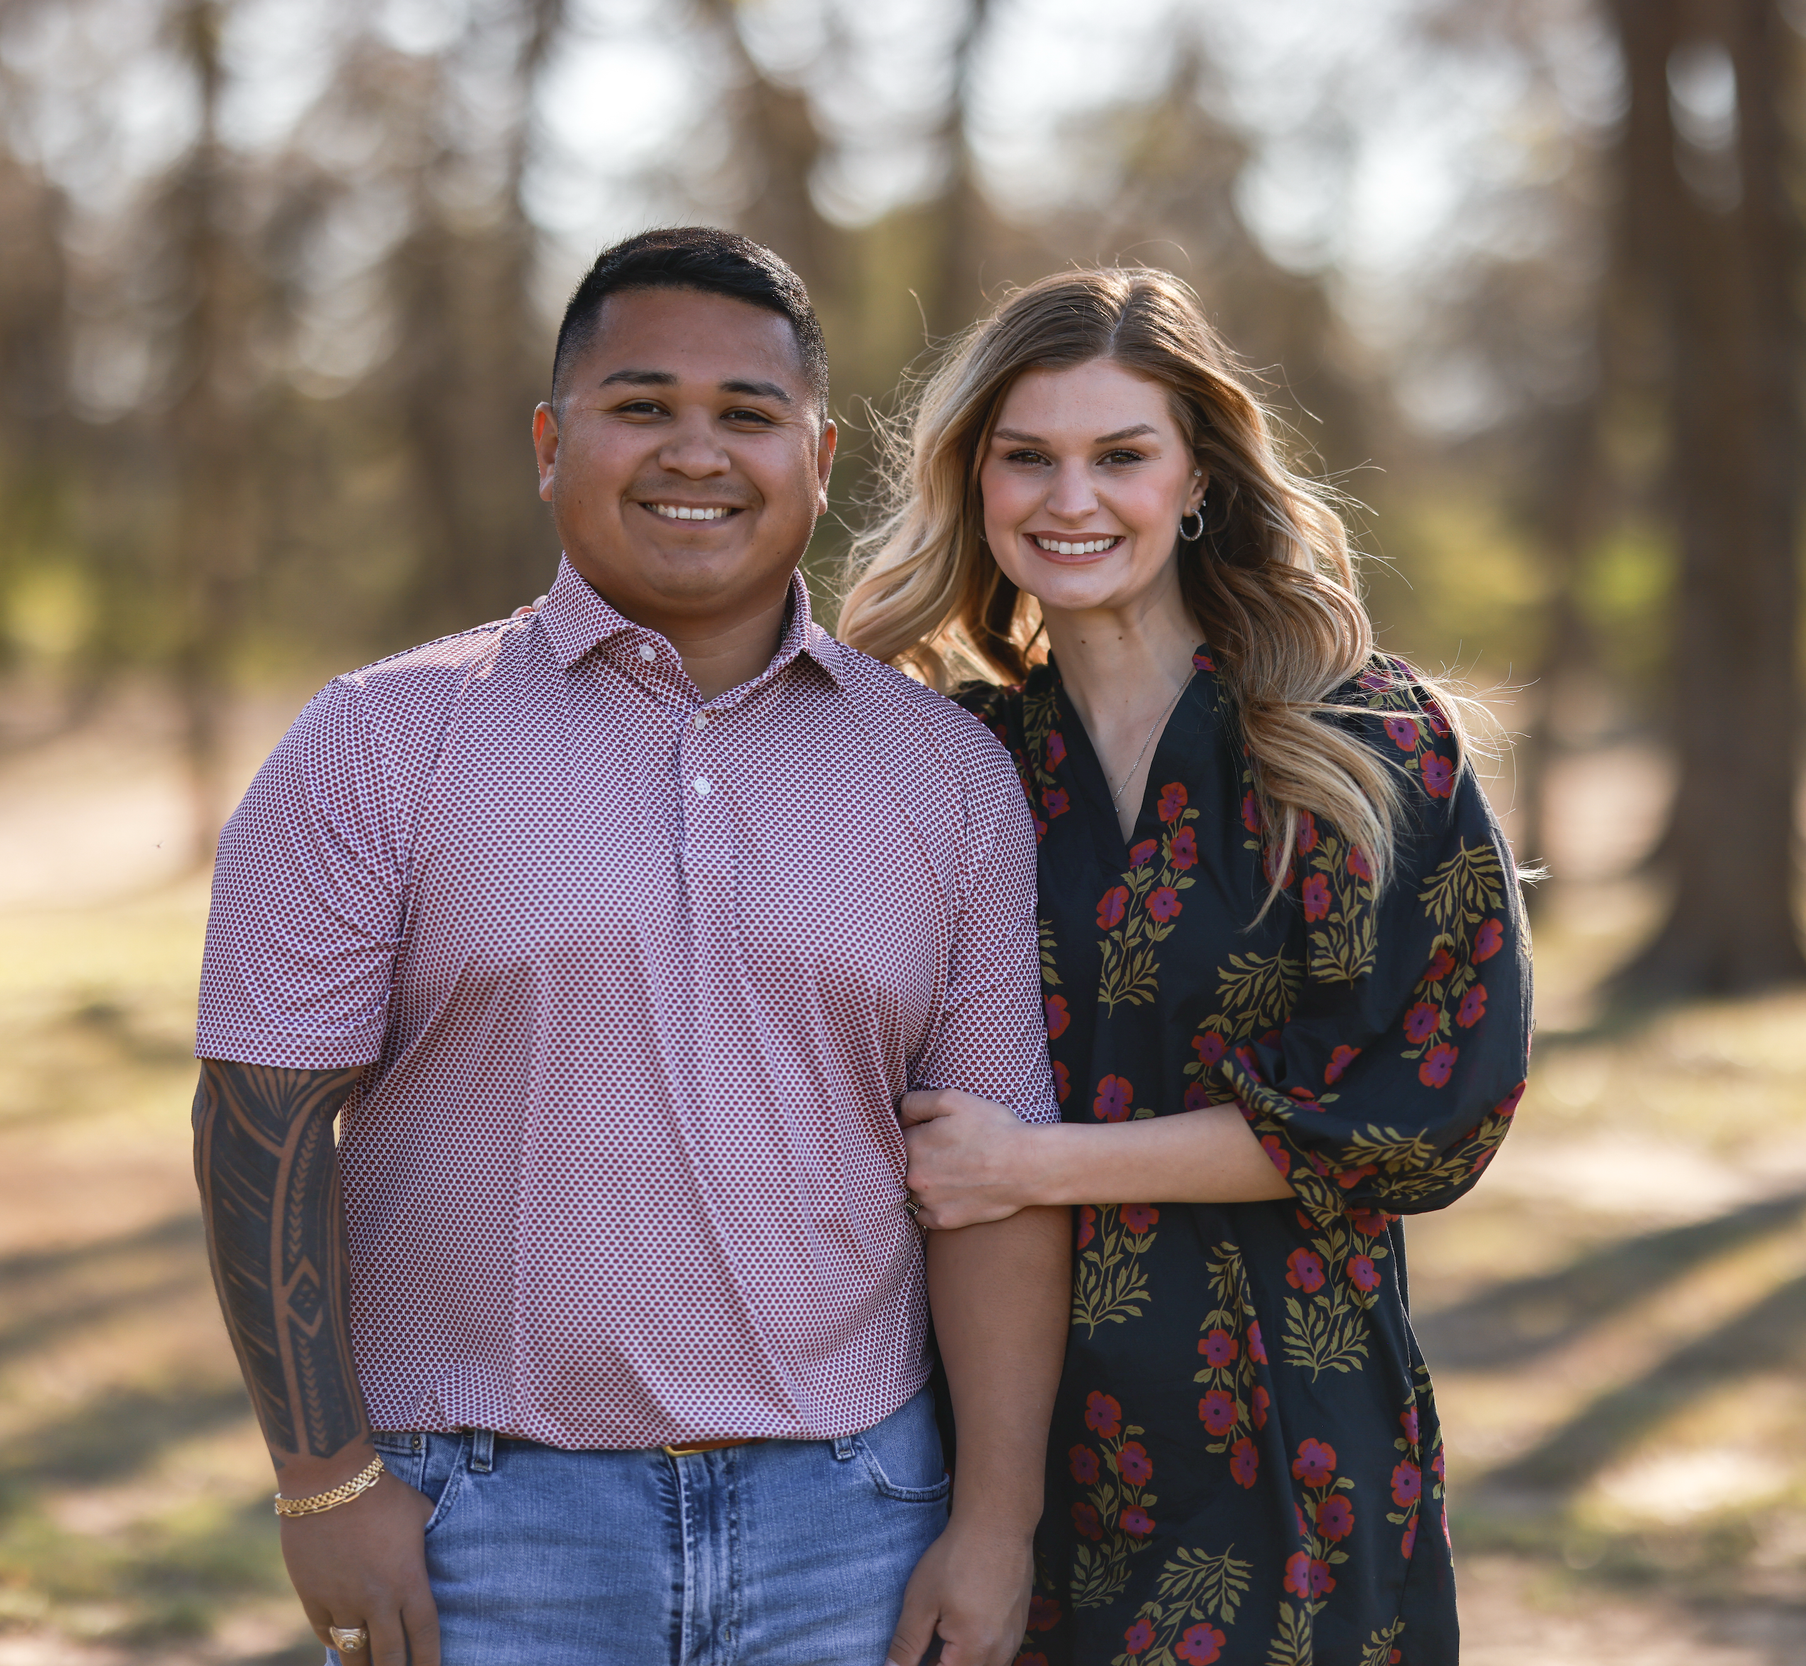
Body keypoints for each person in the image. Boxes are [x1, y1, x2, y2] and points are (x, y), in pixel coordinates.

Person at [191, 227, 1070, 1666]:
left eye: (746, 415)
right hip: (481, 1518)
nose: (695, 453)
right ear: (552, 440)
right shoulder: (379, 741)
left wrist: (994, 1524)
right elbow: (260, 1119)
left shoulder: (948, 775)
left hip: (856, 1514)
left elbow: (992, 1182)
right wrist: (320, 1476)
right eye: (642, 406)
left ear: (820, 453)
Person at [836, 267, 1531, 1666]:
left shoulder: (1358, 743)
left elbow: (1432, 1108)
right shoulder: (953, 760)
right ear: (976, 482)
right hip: (991, 1450)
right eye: (1026, 456)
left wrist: (1039, 1163)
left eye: (1120, 455)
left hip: (1290, 1436)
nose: (1070, 497)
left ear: (1198, 474)